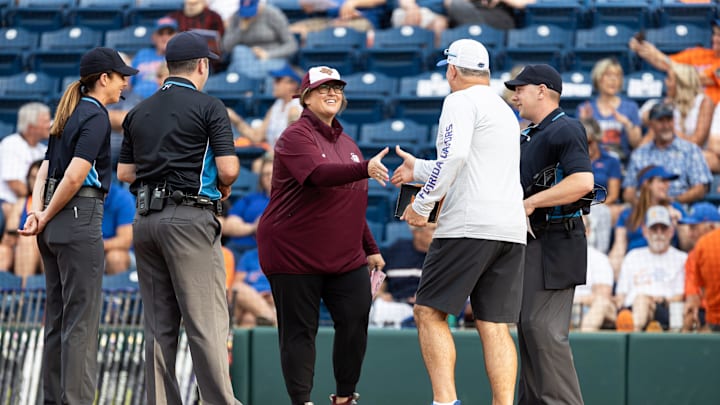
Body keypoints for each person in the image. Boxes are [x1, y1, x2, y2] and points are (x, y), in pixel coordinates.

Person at [392, 39, 528, 405]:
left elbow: (454, 158)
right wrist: (417, 169)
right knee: (494, 324)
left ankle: (445, 402)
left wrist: (422, 203)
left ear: (452, 70)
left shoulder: (458, 100)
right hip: (510, 228)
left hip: (469, 226)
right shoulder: (504, 110)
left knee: (427, 311)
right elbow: (472, 163)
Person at [117, 31, 241, 405]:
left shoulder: (138, 111)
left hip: (146, 221)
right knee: (206, 323)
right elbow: (230, 168)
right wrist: (223, 184)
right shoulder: (209, 106)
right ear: (202, 65)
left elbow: (125, 173)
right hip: (189, 218)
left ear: (168, 67)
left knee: (159, 327)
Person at [256, 65, 389, 405]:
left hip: (344, 255)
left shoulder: (349, 143)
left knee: (356, 317)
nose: (332, 94)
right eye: (323, 89)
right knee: (300, 332)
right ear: (305, 98)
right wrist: (365, 168)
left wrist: (370, 247)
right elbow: (317, 175)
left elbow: (348, 202)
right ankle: (302, 400)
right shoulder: (294, 136)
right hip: (293, 251)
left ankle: (345, 396)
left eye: (338, 89)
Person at [18, 47, 138, 404]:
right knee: (81, 324)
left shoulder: (67, 112)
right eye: (120, 77)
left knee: (57, 321)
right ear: (104, 79)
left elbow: (44, 168)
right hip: (76, 217)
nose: (124, 85)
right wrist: (48, 213)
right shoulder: (96, 115)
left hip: (53, 225)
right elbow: (74, 175)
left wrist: (38, 212)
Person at [504, 63, 594, 404]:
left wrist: (531, 203)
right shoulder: (529, 135)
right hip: (534, 243)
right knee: (529, 331)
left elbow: (582, 181)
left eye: (520, 89)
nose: (515, 96)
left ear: (542, 90)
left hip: (558, 241)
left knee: (543, 332)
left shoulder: (566, 128)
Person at [622, 102, 712, 206]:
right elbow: (628, 192)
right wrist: (643, 206)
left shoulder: (690, 150)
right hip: (645, 209)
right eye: (661, 121)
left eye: (669, 120)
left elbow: (700, 188)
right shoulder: (639, 154)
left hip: (680, 207)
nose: (666, 125)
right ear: (651, 124)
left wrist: (673, 201)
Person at [615, 205, 687, 331]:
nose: (659, 233)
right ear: (645, 231)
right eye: (654, 228)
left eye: (663, 228)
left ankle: (630, 335)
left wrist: (661, 299)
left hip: (665, 308)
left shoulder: (681, 258)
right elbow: (621, 294)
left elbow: (680, 295)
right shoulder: (633, 256)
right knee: (639, 301)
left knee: (642, 299)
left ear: (671, 231)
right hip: (631, 308)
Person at [608, 165, 686, 277]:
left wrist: (679, 224)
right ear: (647, 184)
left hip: (668, 268)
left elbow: (687, 246)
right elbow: (619, 248)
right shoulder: (628, 214)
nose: (667, 185)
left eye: (667, 181)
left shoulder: (676, 209)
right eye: (662, 181)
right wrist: (616, 275)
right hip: (636, 267)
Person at [629, 18, 720, 104]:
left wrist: (658, 54)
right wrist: (642, 50)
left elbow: (694, 78)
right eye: (715, 34)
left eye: (719, 35)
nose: (716, 39)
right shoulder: (699, 53)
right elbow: (666, 65)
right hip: (687, 107)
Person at [577, 57, 642, 162]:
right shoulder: (585, 108)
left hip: (622, 163)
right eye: (608, 75)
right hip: (593, 164)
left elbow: (637, 144)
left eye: (617, 76)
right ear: (598, 78)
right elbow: (579, 146)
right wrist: (585, 123)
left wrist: (627, 124)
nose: (613, 80)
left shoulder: (631, 107)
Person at [371, 222, 436, 327]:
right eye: (433, 229)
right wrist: (381, 295)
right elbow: (375, 285)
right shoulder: (395, 251)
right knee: (378, 307)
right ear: (417, 233)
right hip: (396, 305)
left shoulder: (444, 257)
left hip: (428, 309)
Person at [639, 63, 714, 150]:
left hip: (694, 153)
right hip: (668, 150)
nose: (665, 82)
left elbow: (697, 141)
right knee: (653, 130)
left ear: (681, 83)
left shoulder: (704, 102)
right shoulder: (665, 103)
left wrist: (668, 129)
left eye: (669, 79)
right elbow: (644, 118)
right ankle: (639, 158)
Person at [228, 64, 303, 148]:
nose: (274, 84)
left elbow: (294, 146)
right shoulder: (278, 105)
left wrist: (268, 157)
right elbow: (257, 137)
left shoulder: (297, 107)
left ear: (293, 85)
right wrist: (234, 118)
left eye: (278, 80)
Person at [0, 102, 51, 207]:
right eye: (46, 121)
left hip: (33, 202)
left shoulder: (43, 149)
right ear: (31, 127)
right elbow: (17, 187)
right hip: (9, 203)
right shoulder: (11, 144)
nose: (50, 125)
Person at [222, 154, 273, 257]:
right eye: (266, 174)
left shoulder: (289, 201)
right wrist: (253, 227)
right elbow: (228, 226)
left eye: (273, 173)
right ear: (261, 179)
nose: (270, 177)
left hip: (267, 251)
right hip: (236, 249)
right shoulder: (250, 199)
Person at [1, 160, 43, 279]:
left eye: (38, 178)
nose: (34, 182)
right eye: (32, 178)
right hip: (23, 249)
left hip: (47, 248)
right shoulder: (21, 203)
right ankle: (22, 295)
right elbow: (8, 238)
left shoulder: (57, 203)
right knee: (26, 242)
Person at [573, 215, 616, 332]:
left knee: (601, 303)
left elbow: (602, 295)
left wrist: (575, 301)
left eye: (580, 227)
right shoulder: (556, 258)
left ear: (588, 231)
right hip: (562, 309)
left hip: (590, 309)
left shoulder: (599, 258)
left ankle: (583, 342)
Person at [222, 0, 298, 64]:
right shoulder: (237, 16)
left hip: (272, 59)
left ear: (259, 4)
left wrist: (268, 54)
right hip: (246, 60)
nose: (248, 15)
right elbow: (226, 47)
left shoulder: (272, 14)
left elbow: (291, 45)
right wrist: (241, 31)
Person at [684, 205, 720, 332]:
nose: (689, 234)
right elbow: (693, 296)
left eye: (694, 228)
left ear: (711, 227)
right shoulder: (692, 257)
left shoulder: (705, 246)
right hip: (707, 316)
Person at [168, 0, 226, 71]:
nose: (191, 7)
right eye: (189, 4)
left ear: (203, 3)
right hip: (181, 56)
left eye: (194, 4)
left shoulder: (213, 17)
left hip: (207, 58)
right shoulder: (176, 16)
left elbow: (220, 40)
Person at [131, 17, 178, 99]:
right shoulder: (142, 54)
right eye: (161, 33)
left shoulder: (180, 57)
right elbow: (129, 83)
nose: (165, 38)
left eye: (169, 33)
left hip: (166, 100)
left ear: (177, 36)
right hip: (137, 101)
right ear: (154, 37)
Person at [102, 182, 135, 274]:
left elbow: (125, 241)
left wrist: (95, 245)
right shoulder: (78, 197)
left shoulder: (122, 198)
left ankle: (118, 288)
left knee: (116, 258)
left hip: (115, 250)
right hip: (86, 249)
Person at [443, 0, 533, 30]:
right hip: (469, 16)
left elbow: (530, 2)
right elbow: (449, 3)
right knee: (457, 5)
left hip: (499, 19)